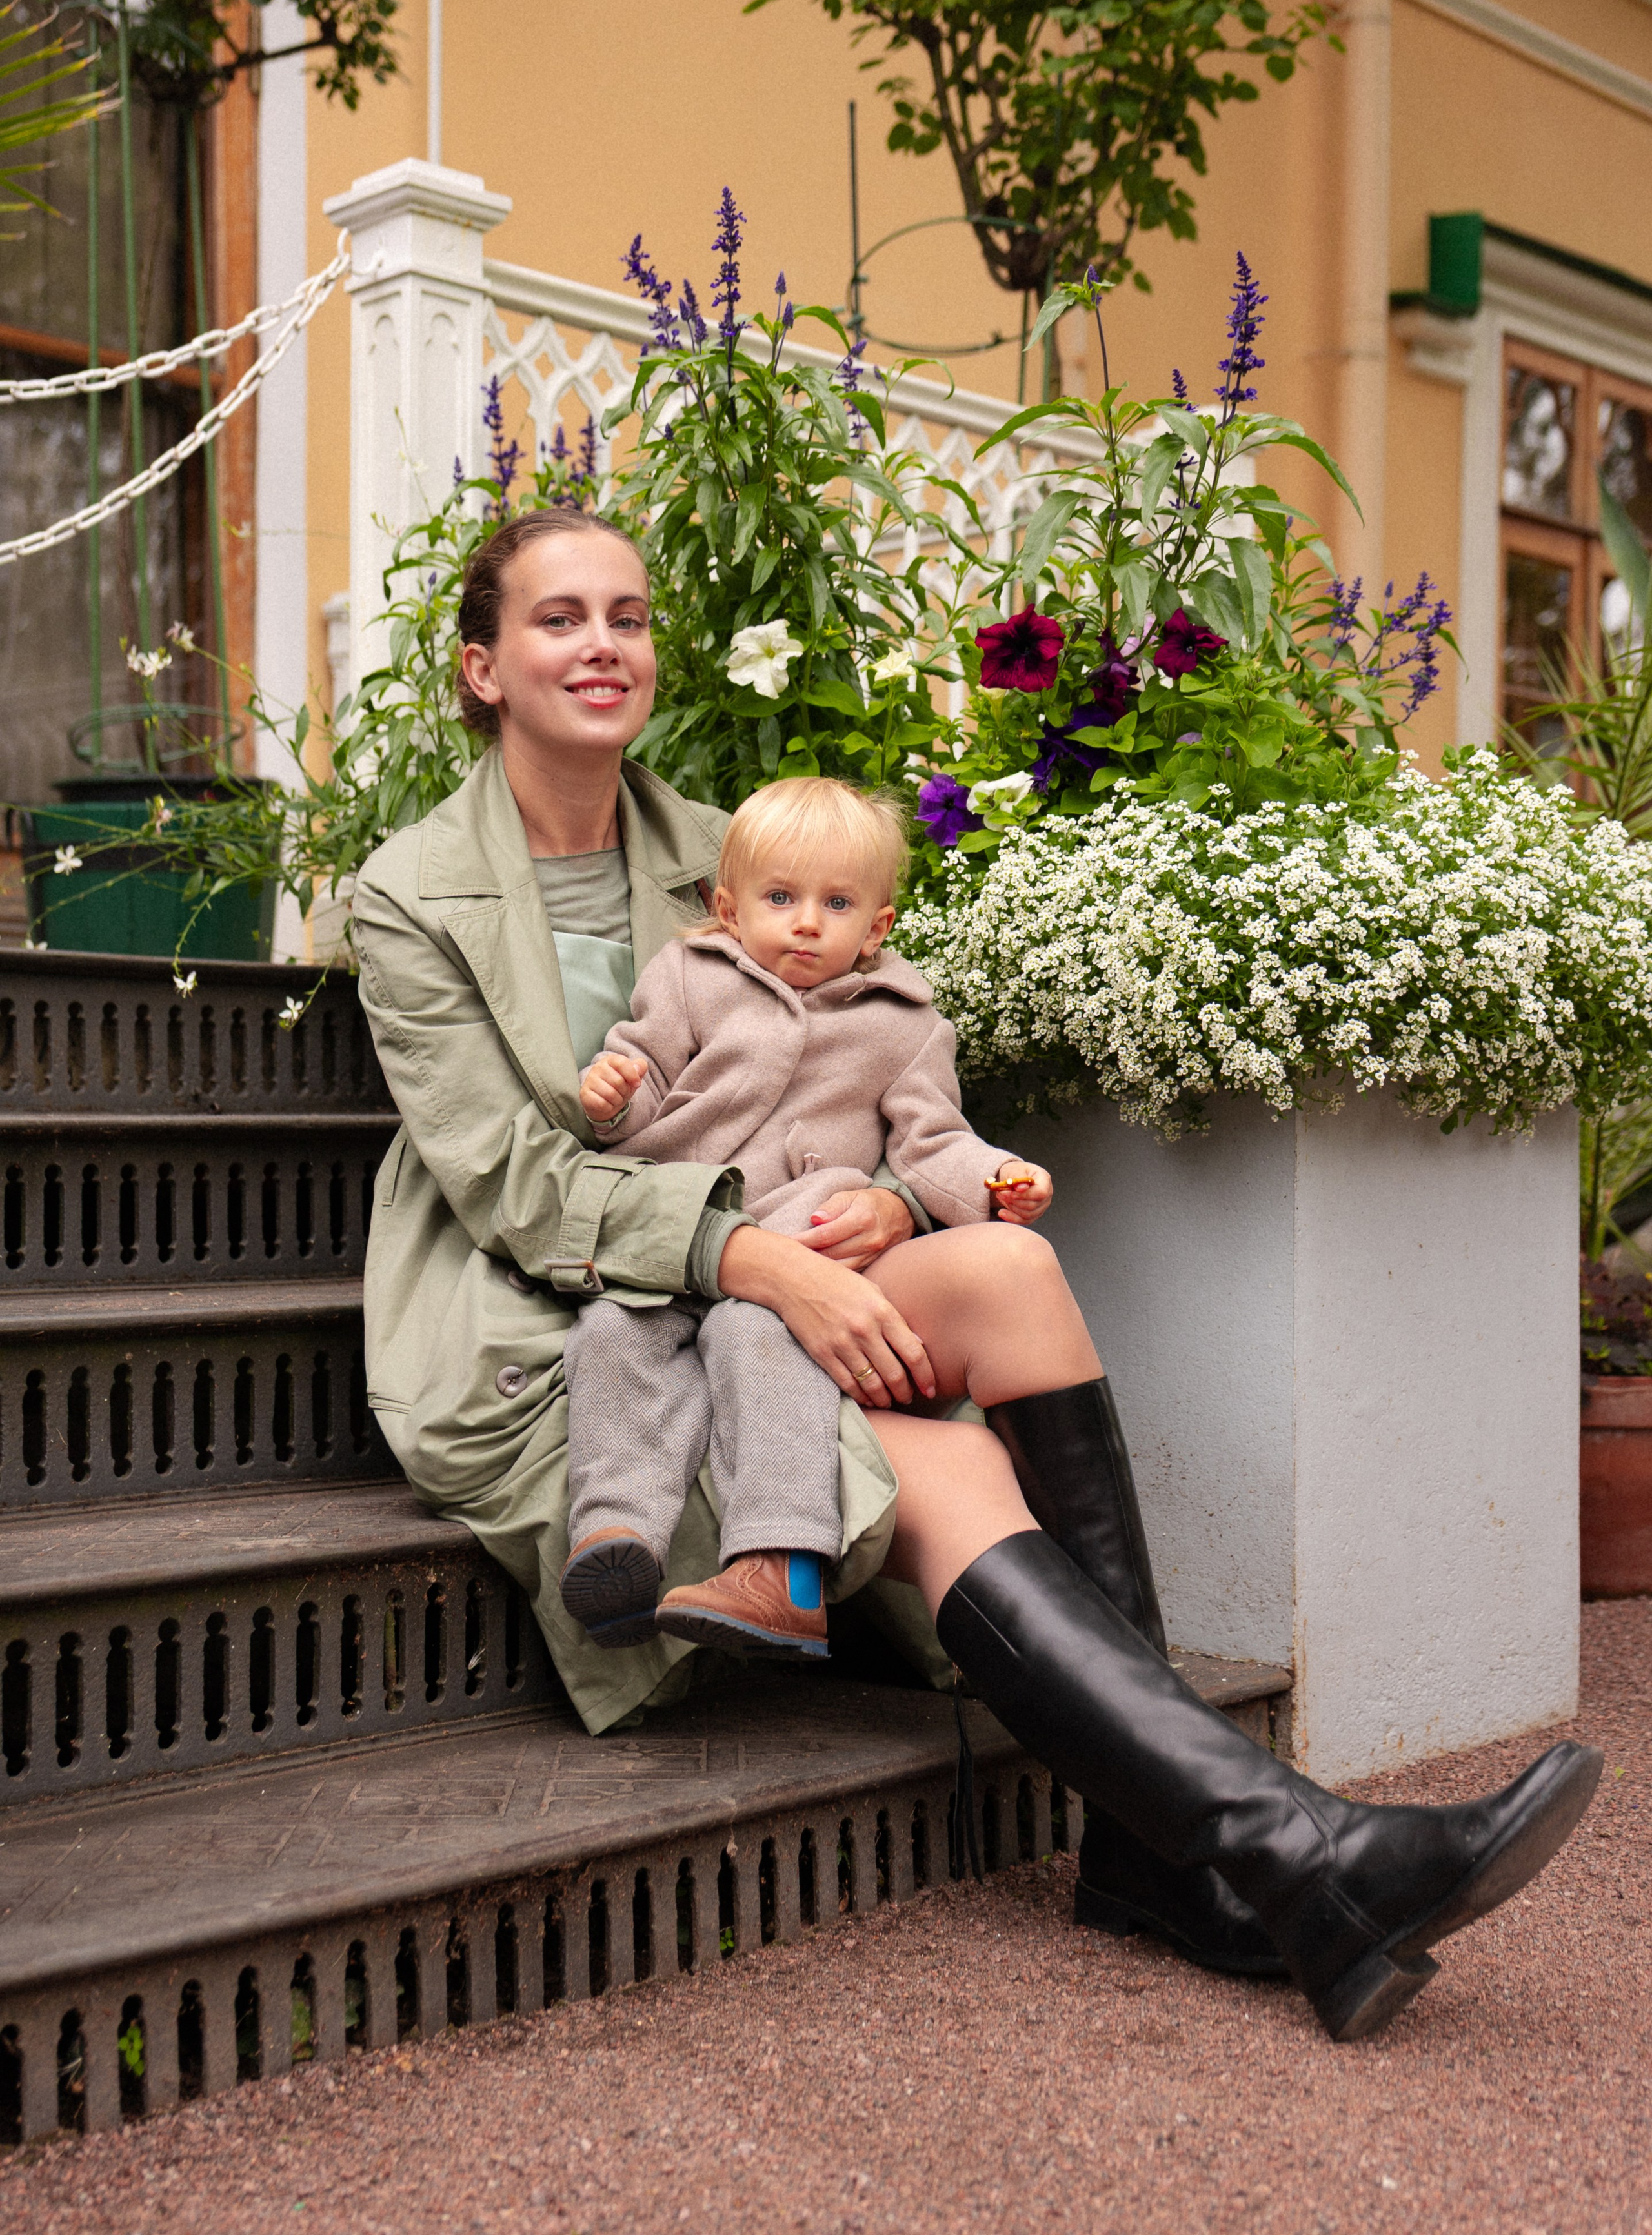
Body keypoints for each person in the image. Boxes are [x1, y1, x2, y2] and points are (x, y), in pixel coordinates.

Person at [352, 503, 1599, 2045]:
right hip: (562, 1321)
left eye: (626, 613)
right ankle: (1246, 1853)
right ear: (482, 666)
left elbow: (846, 1079)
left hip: (761, 1262)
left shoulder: (728, 852)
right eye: (557, 619)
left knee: (1000, 1259)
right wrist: (761, 1262)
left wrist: (880, 1202)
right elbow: (508, 1182)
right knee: (941, 1471)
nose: (600, 644)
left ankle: (1197, 1852)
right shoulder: (410, 893)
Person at [561, 773, 1049, 1661]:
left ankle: (781, 1569)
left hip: (798, 1259)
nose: (806, 922)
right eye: (780, 898)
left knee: (764, 1343)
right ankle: (615, 1537)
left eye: (836, 903)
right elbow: (643, 1090)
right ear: (728, 907)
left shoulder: (902, 1024)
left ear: (879, 927)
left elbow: (932, 1144)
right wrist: (610, 1100)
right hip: (676, 1242)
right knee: (608, 1336)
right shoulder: (690, 975)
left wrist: (996, 1177)